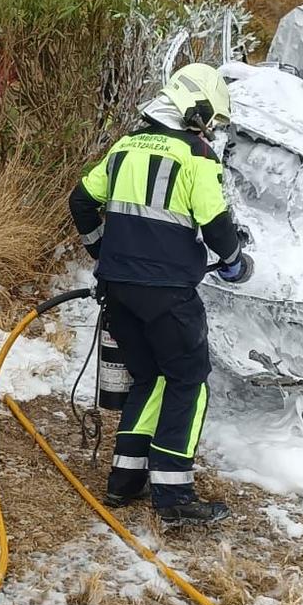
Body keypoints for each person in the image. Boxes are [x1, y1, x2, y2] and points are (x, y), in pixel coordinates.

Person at [69, 62, 253, 527]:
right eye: (210, 120)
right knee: (188, 381)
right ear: (196, 110)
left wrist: (100, 250)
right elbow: (215, 225)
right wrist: (234, 262)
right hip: (168, 295)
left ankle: (124, 481)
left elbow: (81, 201)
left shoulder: (124, 146)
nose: (210, 130)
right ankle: (173, 495)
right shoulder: (197, 157)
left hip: (118, 290)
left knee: (149, 379)